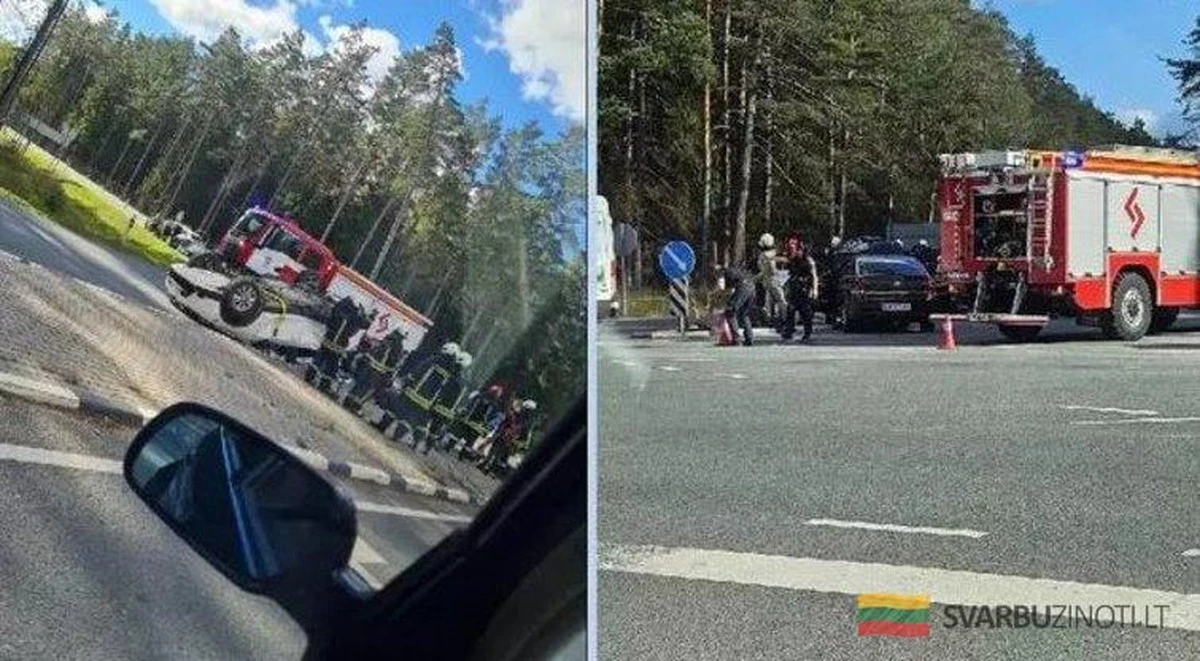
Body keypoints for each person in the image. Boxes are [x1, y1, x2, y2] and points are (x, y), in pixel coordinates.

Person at [307, 297, 371, 392]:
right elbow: (364, 324)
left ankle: (309, 376)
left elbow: (332, 316)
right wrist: (369, 318)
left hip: (330, 337)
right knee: (332, 365)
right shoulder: (356, 313)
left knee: (321, 357)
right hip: (339, 342)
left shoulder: (342, 305)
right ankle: (324, 385)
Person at [344, 328, 407, 415]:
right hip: (380, 373)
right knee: (369, 390)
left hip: (369, 366)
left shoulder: (385, 338)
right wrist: (389, 376)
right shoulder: (398, 346)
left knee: (360, 385)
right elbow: (393, 362)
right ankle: (355, 406)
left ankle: (347, 401)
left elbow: (373, 351)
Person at [781, 238, 819, 342]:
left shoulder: (808, 260)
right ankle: (789, 332)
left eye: (794, 248)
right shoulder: (792, 259)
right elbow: (783, 261)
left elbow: (814, 276)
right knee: (790, 310)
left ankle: (808, 333)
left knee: (805, 312)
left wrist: (814, 290)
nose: (792, 250)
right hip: (794, 288)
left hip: (805, 289)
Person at [756, 233, 787, 327]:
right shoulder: (769, 255)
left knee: (769, 302)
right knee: (781, 301)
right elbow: (772, 269)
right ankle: (785, 320)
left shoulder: (762, 255)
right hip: (774, 280)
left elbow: (764, 270)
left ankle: (770, 319)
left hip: (766, 281)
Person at [722, 266, 756, 347]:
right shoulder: (736, 270)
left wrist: (726, 304)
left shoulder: (727, 274)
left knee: (730, 312)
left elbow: (729, 290)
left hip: (742, 288)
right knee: (744, 314)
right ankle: (749, 338)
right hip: (752, 288)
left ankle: (736, 339)